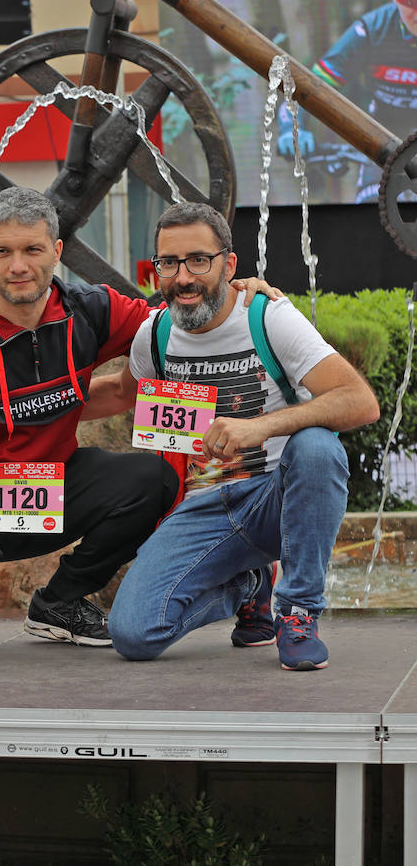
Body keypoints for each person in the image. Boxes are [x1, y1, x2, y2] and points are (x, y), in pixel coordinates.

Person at [0, 187, 281, 654]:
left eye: (32, 249)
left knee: (151, 479)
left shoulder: (89, 310)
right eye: (3, 251)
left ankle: (59, 602)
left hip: (45, 491)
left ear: (56, 251)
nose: (18, 266)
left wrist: (235, 295)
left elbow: (174, 318)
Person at [106, 202, 379, 671]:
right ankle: (248, 586)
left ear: (229, 264)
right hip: (203, 508)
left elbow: (359, 401)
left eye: (198, 260)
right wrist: (12, 408)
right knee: (133, 634)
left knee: (317, 447)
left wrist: (261, 427)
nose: (183, 277)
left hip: (275, 498)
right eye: (168, 263)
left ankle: (296, 612)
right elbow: (119, 394)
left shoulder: (268, 317)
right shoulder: (154, 333)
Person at [280, 0, 417, 202]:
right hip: (385, 134)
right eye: (409, 0)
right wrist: (291, 128)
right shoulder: (371, 30)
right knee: (371, 205)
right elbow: (307, 89)